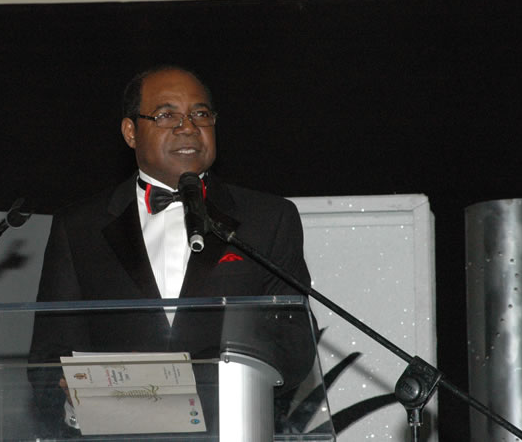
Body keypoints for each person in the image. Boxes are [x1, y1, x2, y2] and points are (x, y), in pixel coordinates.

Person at [28, 66, 317, 437]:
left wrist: (204, 383)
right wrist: (73, 397)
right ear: (131, 132)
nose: (188, 127)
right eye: (167, 115)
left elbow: (294, 343)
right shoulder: (79, 226)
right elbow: (49, 356)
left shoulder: (268, 218)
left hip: (231, 429)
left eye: (200, 114)